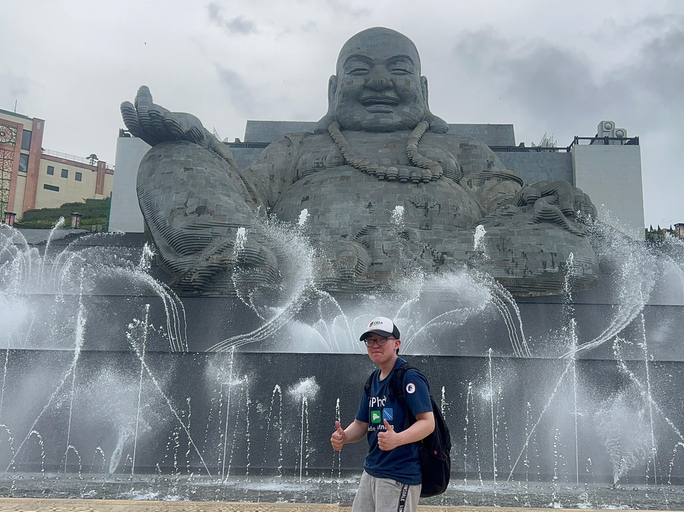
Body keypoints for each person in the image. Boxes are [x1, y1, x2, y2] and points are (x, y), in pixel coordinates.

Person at [121, 27, 599, 297]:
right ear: (333, 90)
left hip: (448, 257)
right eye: (359, 71)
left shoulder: (459, 151)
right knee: (171, 158)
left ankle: (358, 267)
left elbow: (508, 204)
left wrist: (550, 200)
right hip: (292, 252)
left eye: (398, 71)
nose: (379, 83)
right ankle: (264, 263)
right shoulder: (298, 148)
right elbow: (243, 198)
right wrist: (199, 140)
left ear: (424, 89)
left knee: (561, 228)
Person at [330, 316, 435, 512]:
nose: (375, 345)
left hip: (399, 475)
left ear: (397, 344)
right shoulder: (373, 380)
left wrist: (397, 439)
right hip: (371, 472)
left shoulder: (409, 376)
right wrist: (344, 437)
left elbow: (428, 423)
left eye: (381, 339)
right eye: (370, 340)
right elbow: (361, 424)